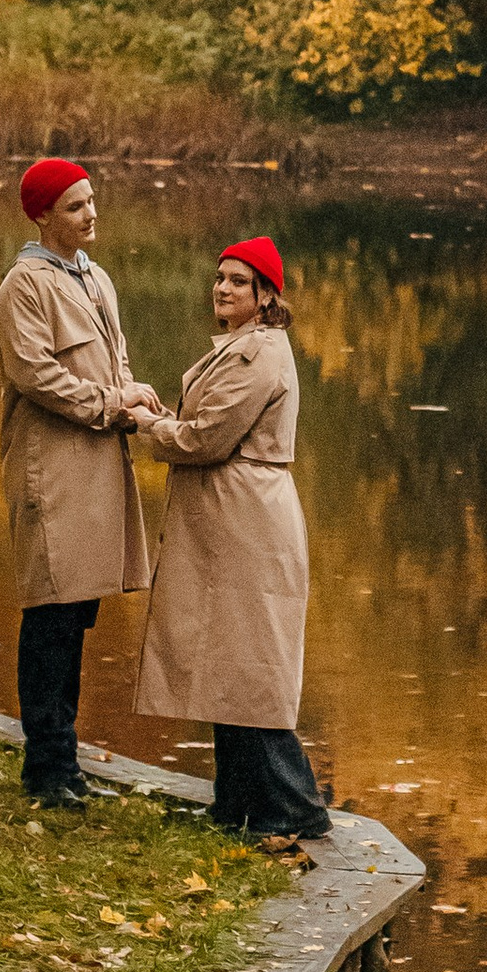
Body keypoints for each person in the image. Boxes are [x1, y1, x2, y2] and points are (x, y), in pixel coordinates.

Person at [129, 236, 329, 845]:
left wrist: (148, 426)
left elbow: (206, 439)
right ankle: (239, 802)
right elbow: (205, 426)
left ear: (266, 296)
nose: (222, 288)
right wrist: (170, 421)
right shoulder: (244, 347)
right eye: (220, 278)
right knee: (229, 660)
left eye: (238, 281)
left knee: (249, 665)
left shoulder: (257, 355)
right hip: (231, 517)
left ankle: (294, 808)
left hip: (244, 521)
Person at [0, 157, 157, 814]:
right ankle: (46, 764)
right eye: (75, 205)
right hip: (50, 463)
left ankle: (66, 758)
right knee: (50, 609)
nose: (91, 213)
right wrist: (113, 403)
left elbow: (112, 362)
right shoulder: (23, 286)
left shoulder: (97, 278)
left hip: (96, 460)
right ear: (42, 215)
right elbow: (37, 377)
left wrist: (136, 396)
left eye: (92, 201)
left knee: (78, 608)